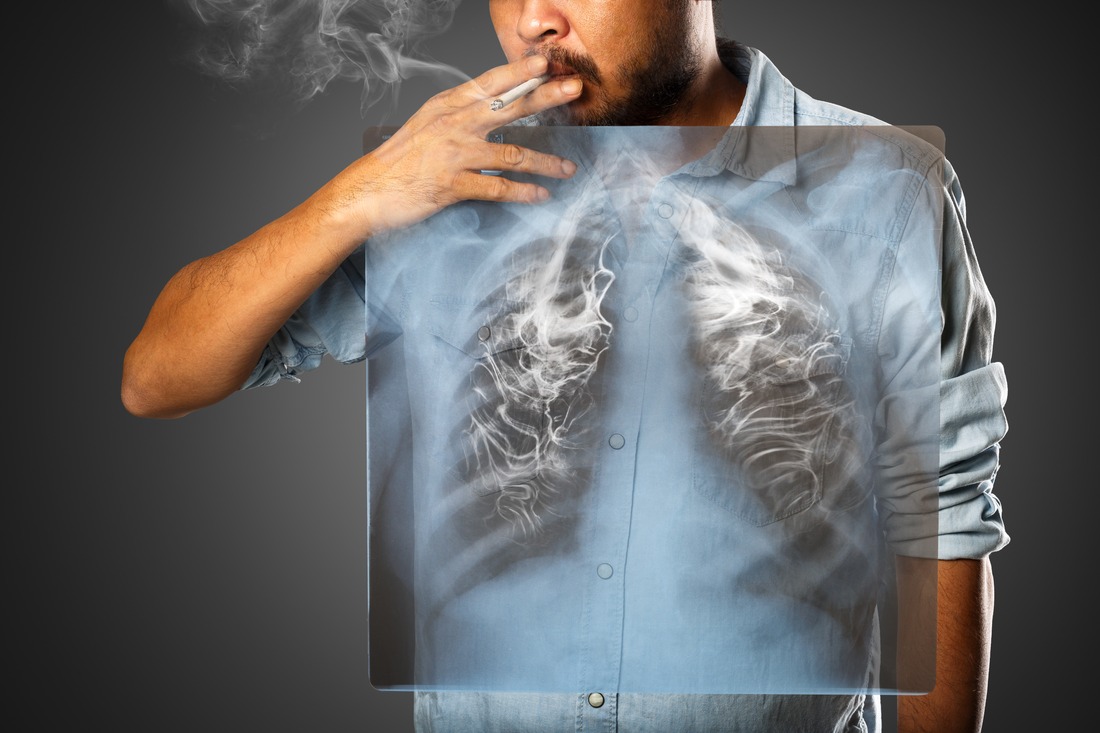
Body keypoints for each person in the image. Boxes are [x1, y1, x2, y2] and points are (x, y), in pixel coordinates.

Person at [121, 1, 1009, 731]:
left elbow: (941, 529)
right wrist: (360, 194)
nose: (533, 23)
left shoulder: (886, 188)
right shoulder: (445, 185)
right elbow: (157, 378)